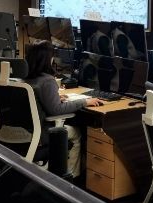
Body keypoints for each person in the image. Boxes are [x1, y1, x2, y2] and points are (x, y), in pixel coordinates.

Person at [25, 41, 103, 176]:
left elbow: (38, 100)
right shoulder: (47, 80)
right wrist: (84, 102)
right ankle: (71, 177)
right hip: (42, 134)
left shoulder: (26, 78)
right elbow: (56, 110)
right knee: (76, 133)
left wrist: (55, 98)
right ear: (47, 59)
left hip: (26, 131)